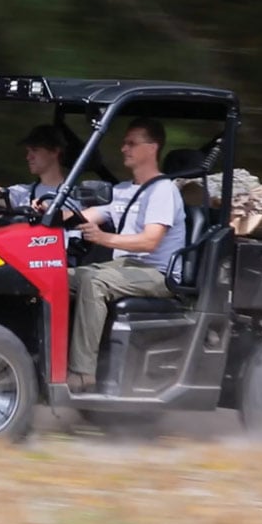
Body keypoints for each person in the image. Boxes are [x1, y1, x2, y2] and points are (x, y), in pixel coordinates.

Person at [63, 117, 186, 393]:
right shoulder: (121, 191)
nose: (124, 149)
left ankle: (82, 373)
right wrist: (51, 211)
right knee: (53, 276)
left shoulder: (163, 191)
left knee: (93, 282)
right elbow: (83, 216)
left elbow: (150, 241)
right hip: (125, 267)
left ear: (152, 148)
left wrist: (104, 237)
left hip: (157, 273)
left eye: (131, 143)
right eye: (124, 143)